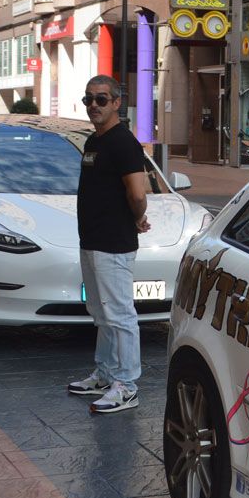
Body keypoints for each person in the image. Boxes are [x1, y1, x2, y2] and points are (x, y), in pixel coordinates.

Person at [66, 74, 151, 414]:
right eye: (89, 99)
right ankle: (105, 374)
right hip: (92, 240)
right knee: (100, 313)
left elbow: (137, 192)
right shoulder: (94, 142)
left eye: (101, 99)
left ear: (117, 102)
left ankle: (127, 385)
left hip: (114, 243)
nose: (94, 106)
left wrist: (136, 217)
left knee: (119, 315)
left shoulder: (123, 143)